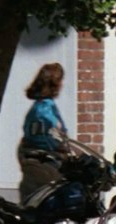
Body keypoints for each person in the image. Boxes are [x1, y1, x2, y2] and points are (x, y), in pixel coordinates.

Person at [18, 62, 68, 200]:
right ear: (55, 83)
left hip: (41, 166)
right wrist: (61, 148)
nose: (63, 84)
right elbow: (46, 138)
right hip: (44, 168)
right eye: (61, 80)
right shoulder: (43, 110)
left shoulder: (43, 106)